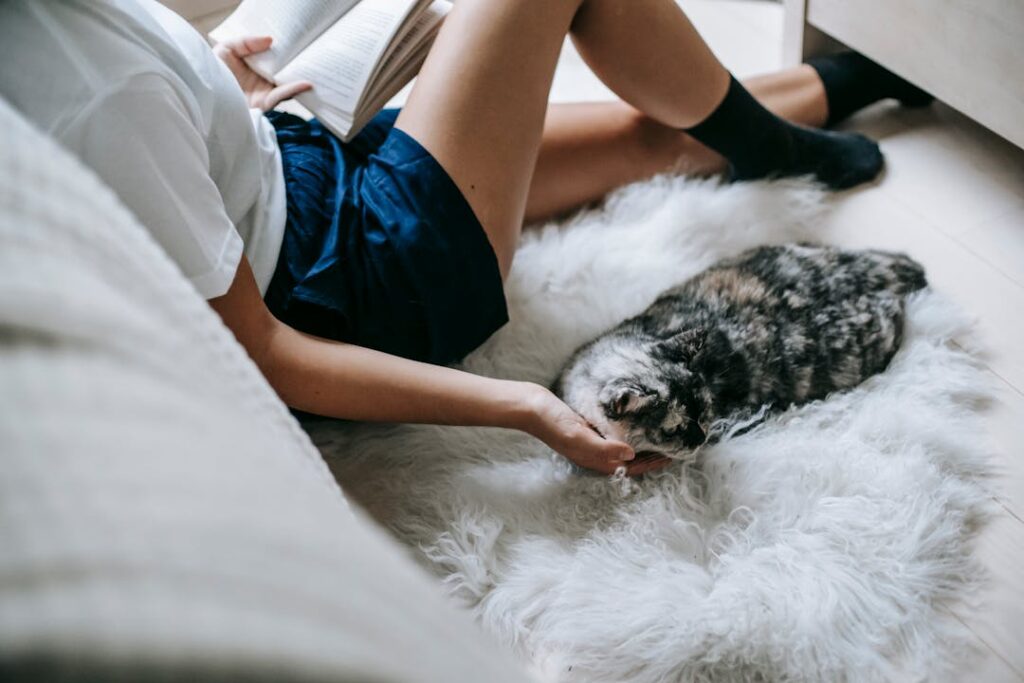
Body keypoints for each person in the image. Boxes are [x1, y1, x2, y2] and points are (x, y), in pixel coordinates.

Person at [0, 0, 930, 475]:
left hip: (290, 171)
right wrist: (523, 407)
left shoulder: (63, 39)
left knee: (658, 135)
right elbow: (266, 354)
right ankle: (788, 137)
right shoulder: (89, 91)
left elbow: (143, 139)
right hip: (361, 278)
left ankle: (850, 81)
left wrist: (210, 95)